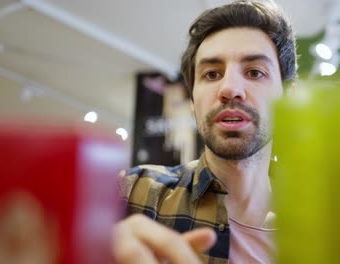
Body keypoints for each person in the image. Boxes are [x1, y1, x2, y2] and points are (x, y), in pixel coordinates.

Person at [112, 0, 297, 263]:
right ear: (192, 99)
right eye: (211, 74)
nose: (230, 88)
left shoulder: (327, 224)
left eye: (255, 72)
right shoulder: (130, 195)